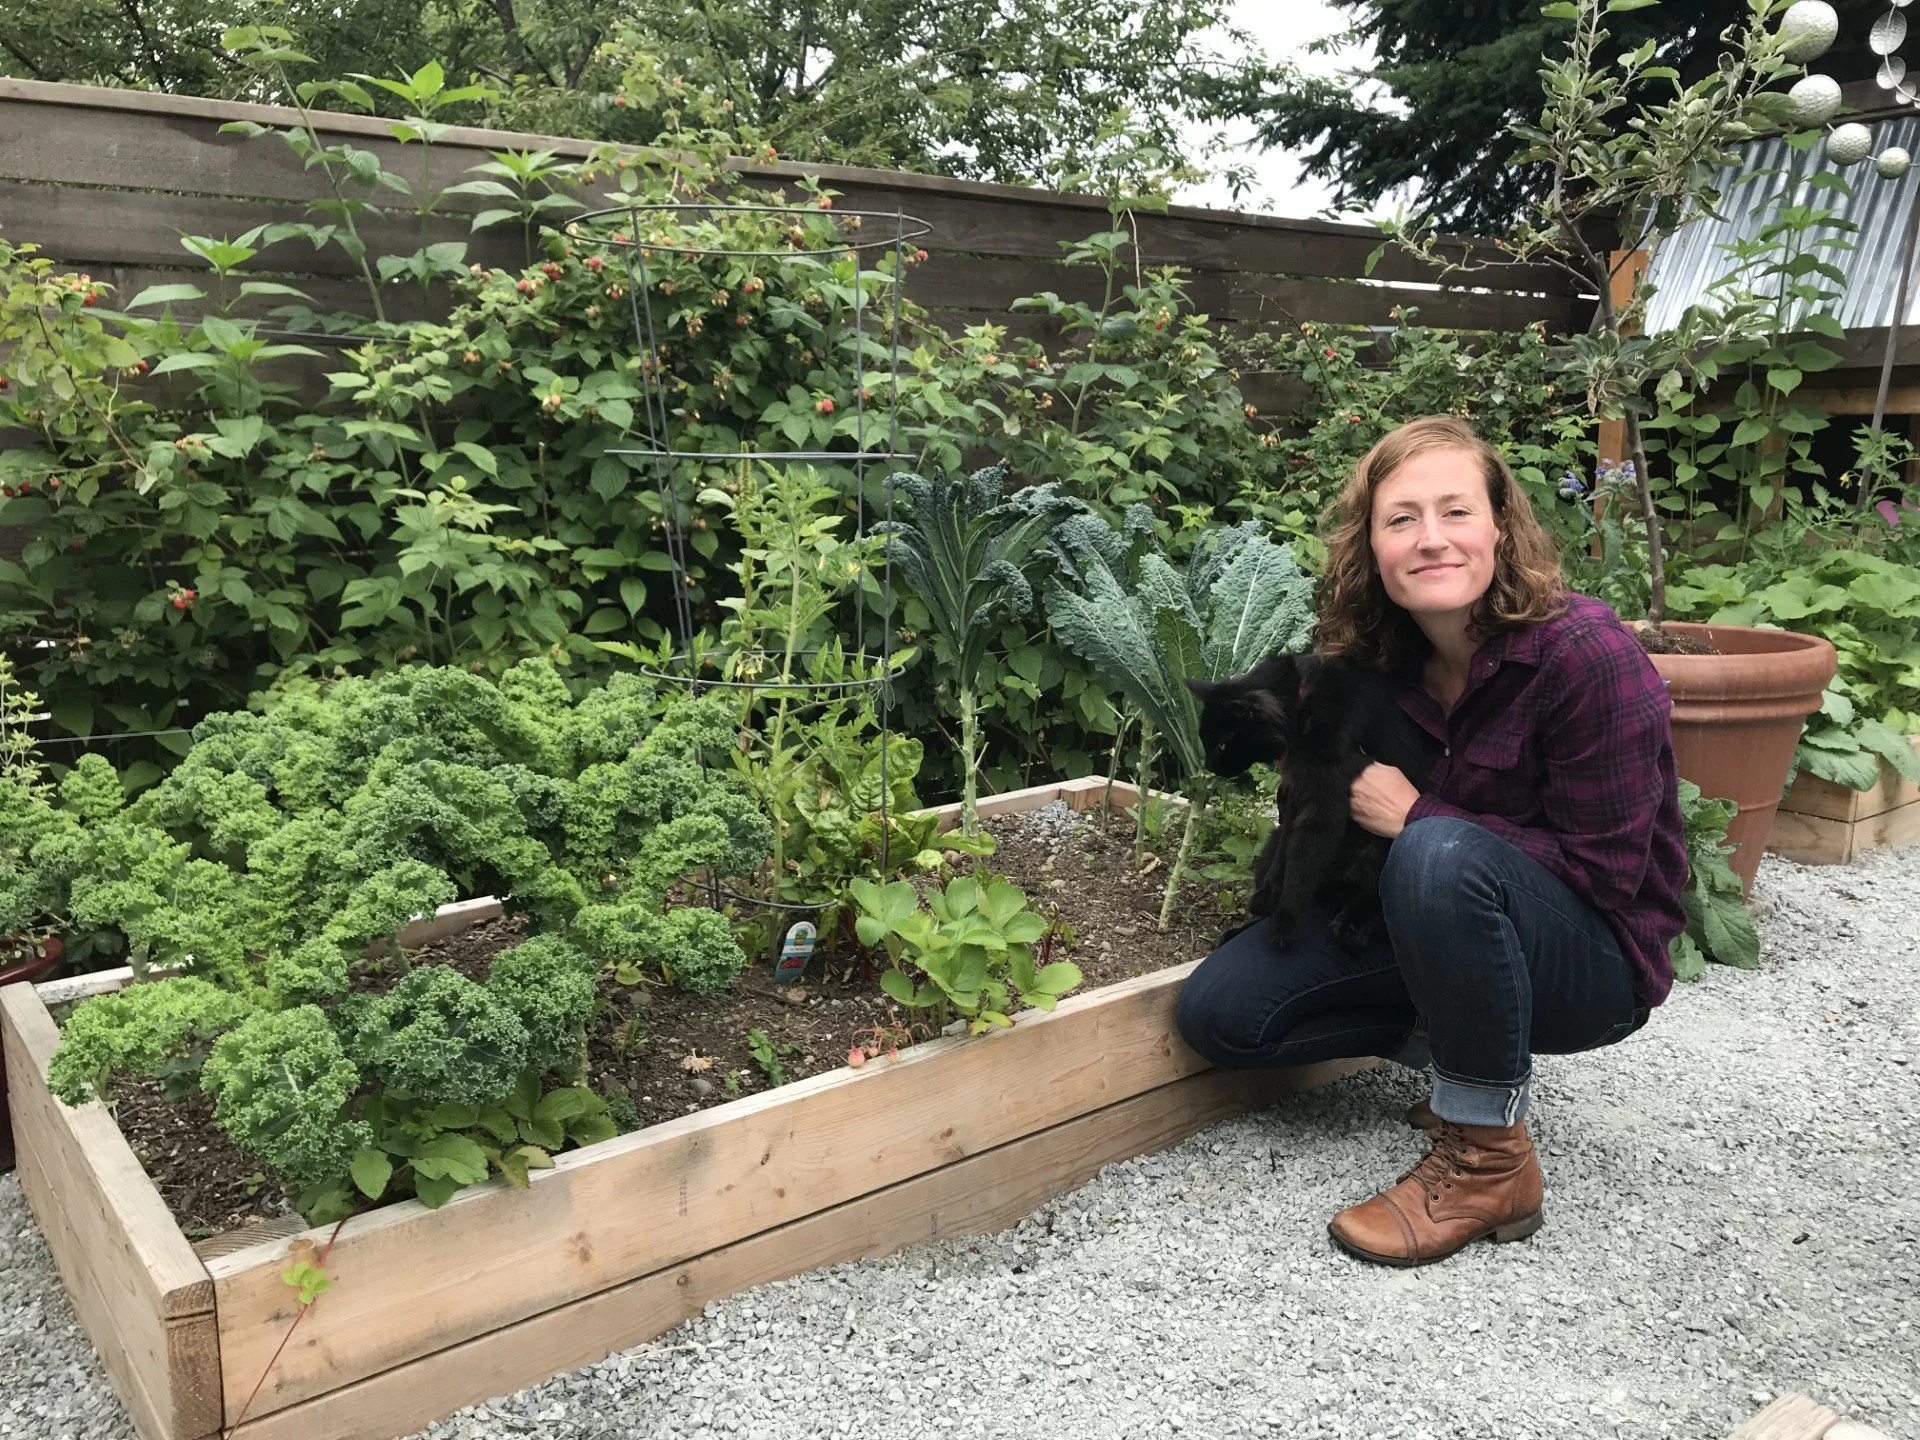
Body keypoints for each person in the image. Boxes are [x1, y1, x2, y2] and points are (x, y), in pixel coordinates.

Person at [1174, 415, 1688, 1268]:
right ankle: (1456, 1039)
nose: (1431, 539)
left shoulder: (1585, 657)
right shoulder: (1375, 667)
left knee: (1437, 852)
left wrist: (1419, 817)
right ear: (1371, 547)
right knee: (1224, 1015)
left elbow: (1610, 877)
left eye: (1455, 512)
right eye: (1401, 519)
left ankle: (1488, 1159)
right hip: (1438, 924)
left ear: (1500, 528)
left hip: (1591, 962)